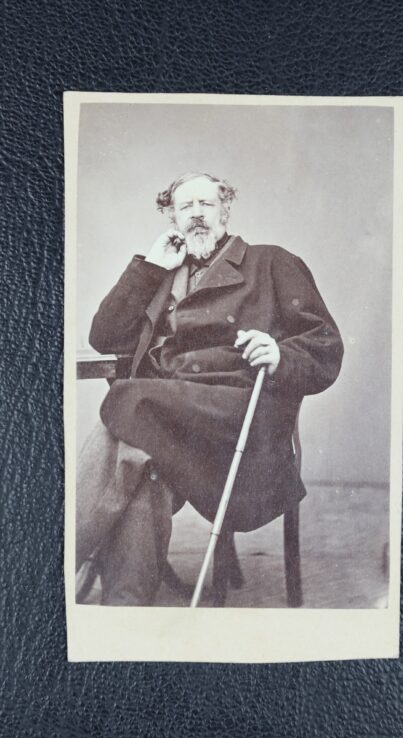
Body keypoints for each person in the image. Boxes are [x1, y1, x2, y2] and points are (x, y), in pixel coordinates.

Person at [76, 171, 344, 606]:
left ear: (225, 210)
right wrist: (149, 269)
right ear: (172, 217)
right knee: (141, 461)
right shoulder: (162, 273)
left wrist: (279, 353)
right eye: (186, 207)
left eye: (207, 204)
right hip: (168, 418)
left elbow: (325, 345)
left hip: (235, 420)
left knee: (128, 399)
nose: (197, 214)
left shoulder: (270, 262)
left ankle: (53, 561)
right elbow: (104, 338)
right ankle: (126, 606)